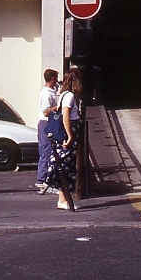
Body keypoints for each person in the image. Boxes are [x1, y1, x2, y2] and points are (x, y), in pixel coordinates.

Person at [45, 68, 83, 211]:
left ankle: (63, 199)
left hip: (65, 132)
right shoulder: (70, 96)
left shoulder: (63, 95)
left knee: (64, 166)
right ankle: (63, 200)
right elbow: (66, 116)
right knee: (66, 167)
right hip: (68, 132)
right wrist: (70, 135)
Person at [36, 69, 60, 194]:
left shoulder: (51, 91)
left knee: (50, 151)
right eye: (56, 78)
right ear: (52, 79)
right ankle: (42, 180)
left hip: (49, 123)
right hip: (46, 123)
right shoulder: (46, 94)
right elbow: (46, 111)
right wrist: (58, 106)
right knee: (46, 151)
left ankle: (46, 180)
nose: (57, 81)